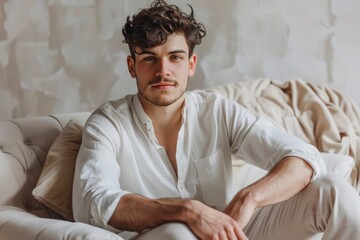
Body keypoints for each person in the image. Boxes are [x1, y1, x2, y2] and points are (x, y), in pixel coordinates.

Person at [72, 0, 360, 239]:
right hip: (161, 236)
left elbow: (304, 158)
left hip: (225, 232)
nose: (163, 71)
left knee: (334, 191)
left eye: (175, 58)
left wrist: (249, 198)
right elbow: (94, 201)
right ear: (132, 67)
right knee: (178, 232)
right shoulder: (106, 123)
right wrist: (186, 210)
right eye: (149, 58)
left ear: (191, 64)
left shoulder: (218, 111)